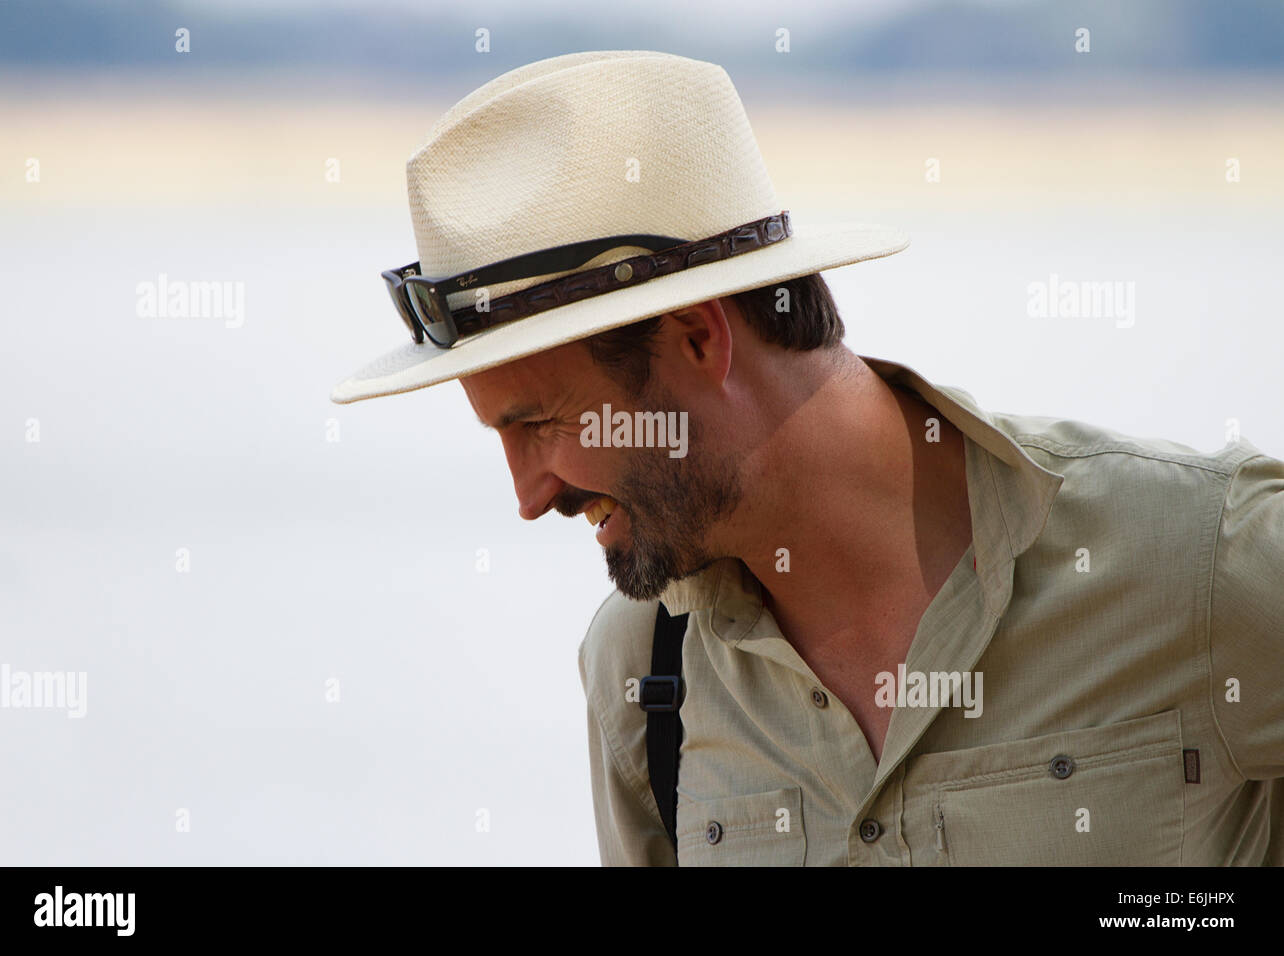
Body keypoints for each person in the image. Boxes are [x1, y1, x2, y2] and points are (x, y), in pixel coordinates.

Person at [331, 50, 1284, 866]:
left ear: (701, 339)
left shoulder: (1211, 564)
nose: (528, 495)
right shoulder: (642, 676)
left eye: (539, 422)